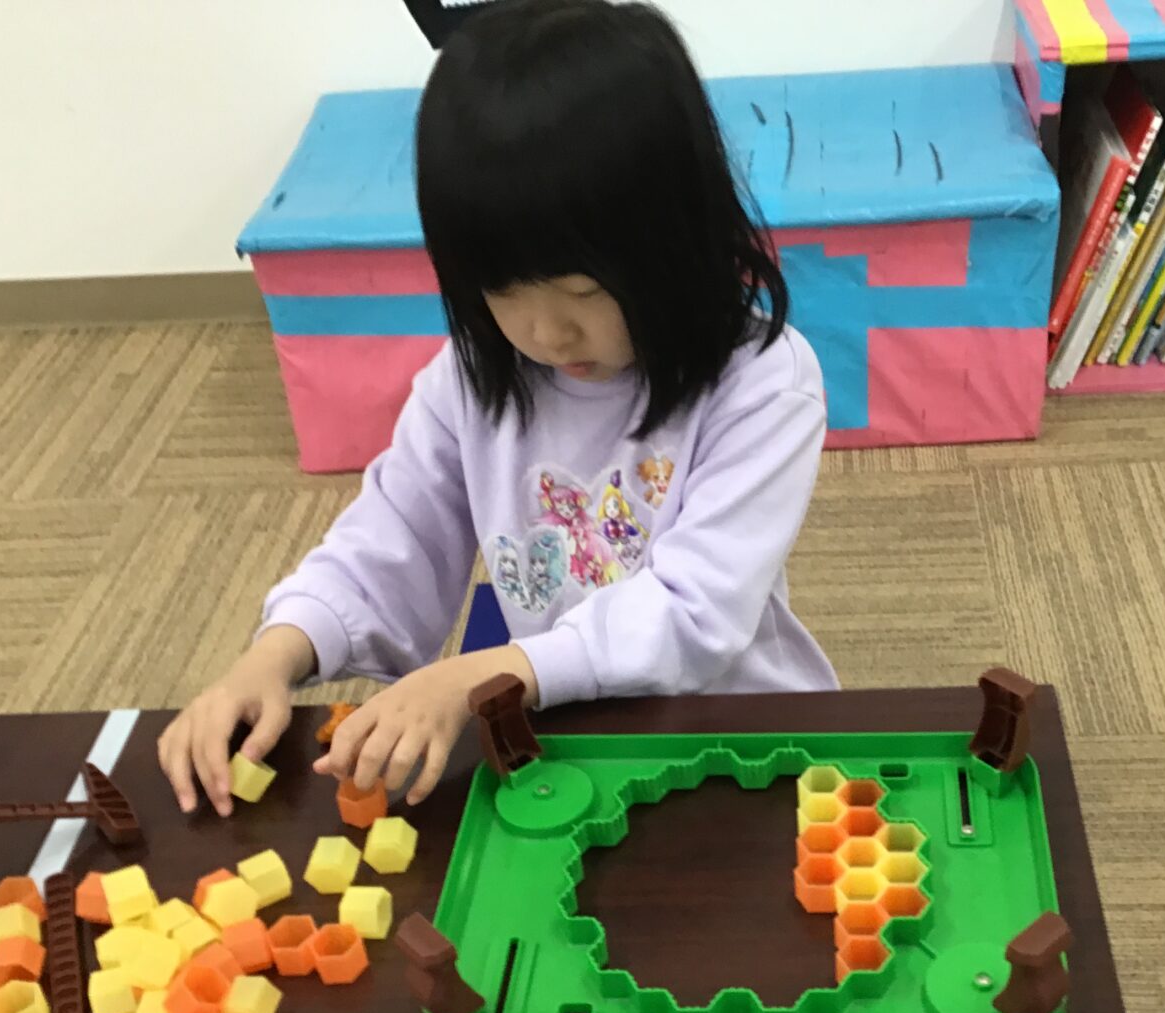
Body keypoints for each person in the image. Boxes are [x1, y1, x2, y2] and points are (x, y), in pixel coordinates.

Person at [159, 0, 835, 816]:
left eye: (582, 292)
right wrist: (273, 655)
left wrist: (480, 674)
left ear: (675, 241)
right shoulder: (473, 379)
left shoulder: (762, 383)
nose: (546, 332)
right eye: (504, 290)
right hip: (559, 744)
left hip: (741, 744)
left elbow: (693, 615)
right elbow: (391, 541)